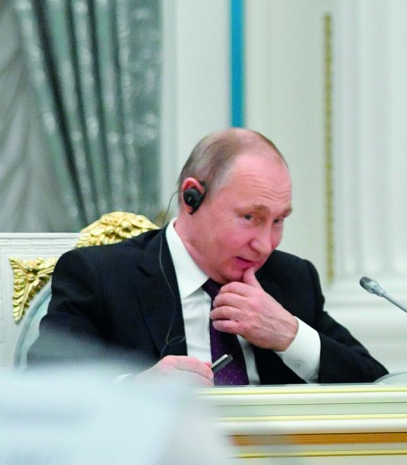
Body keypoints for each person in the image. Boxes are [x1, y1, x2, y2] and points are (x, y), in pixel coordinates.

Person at [28, 128, 387, 385]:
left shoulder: (290, 279)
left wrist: (290, 336)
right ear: (191, 198)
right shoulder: (103, 276)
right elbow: (44, 387)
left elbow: (377, 386)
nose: (265, 244)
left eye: (278, 221)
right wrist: (136, 390)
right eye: (251, 218)